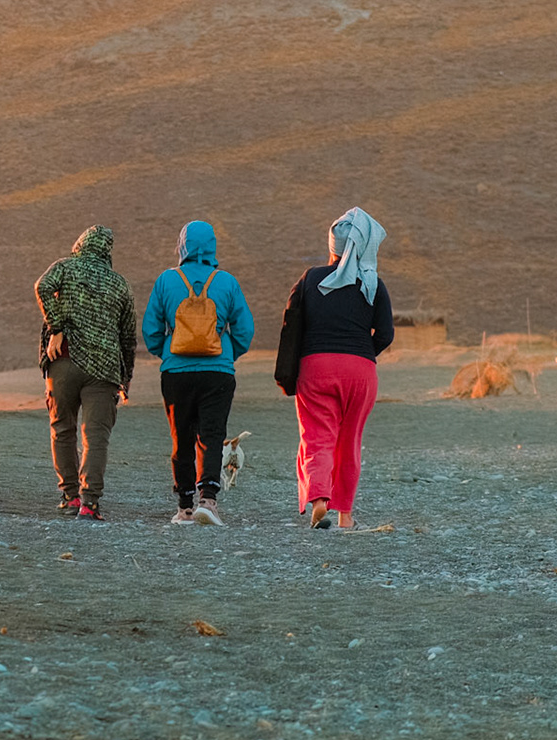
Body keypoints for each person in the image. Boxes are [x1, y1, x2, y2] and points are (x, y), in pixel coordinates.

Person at [273, 207, 394, 530]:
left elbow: (291, 322)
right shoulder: (374, 284)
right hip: (361, 371)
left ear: (332, 247)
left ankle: (319, 499)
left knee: (317, 438)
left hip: (317, 368)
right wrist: (363, 354)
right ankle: (346, 516)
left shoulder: (311, 279)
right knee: (349, 441)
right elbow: (386, 334)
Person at [142, 221, 254, 526]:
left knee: (182, 438)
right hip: (217, 372)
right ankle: (208, 501)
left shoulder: (166, 280)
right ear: (213, 245)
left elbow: (151, 330)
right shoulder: (227, 281)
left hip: (176, 373)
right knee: (212, 436)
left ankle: (185, 508)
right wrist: (228, 353)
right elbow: (244, 329)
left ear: (182, 246)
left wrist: (167, 351)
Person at [35, 225, 137, 521]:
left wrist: (57, 327)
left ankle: (69, 497)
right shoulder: (120, 284)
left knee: (62, 429)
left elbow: (42, 287)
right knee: (96, 436)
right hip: (104, 370)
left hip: (63, 361)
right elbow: (128, 338)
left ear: (80, 244)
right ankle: (89, 502)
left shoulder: (64, 268)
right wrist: (125, 379)